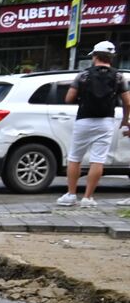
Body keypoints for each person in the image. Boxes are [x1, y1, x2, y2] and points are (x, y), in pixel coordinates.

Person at [57, 40, 130, 208]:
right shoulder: (118, 76)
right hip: (106, 121)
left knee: (75, 157)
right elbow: (128, 101)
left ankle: (71, 194)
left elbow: (69, 98)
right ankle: (88, 198)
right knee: (98, 160)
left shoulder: (83, 75)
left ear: (95, 56)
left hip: (84, 119)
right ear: (111, 58)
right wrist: (125, 120)